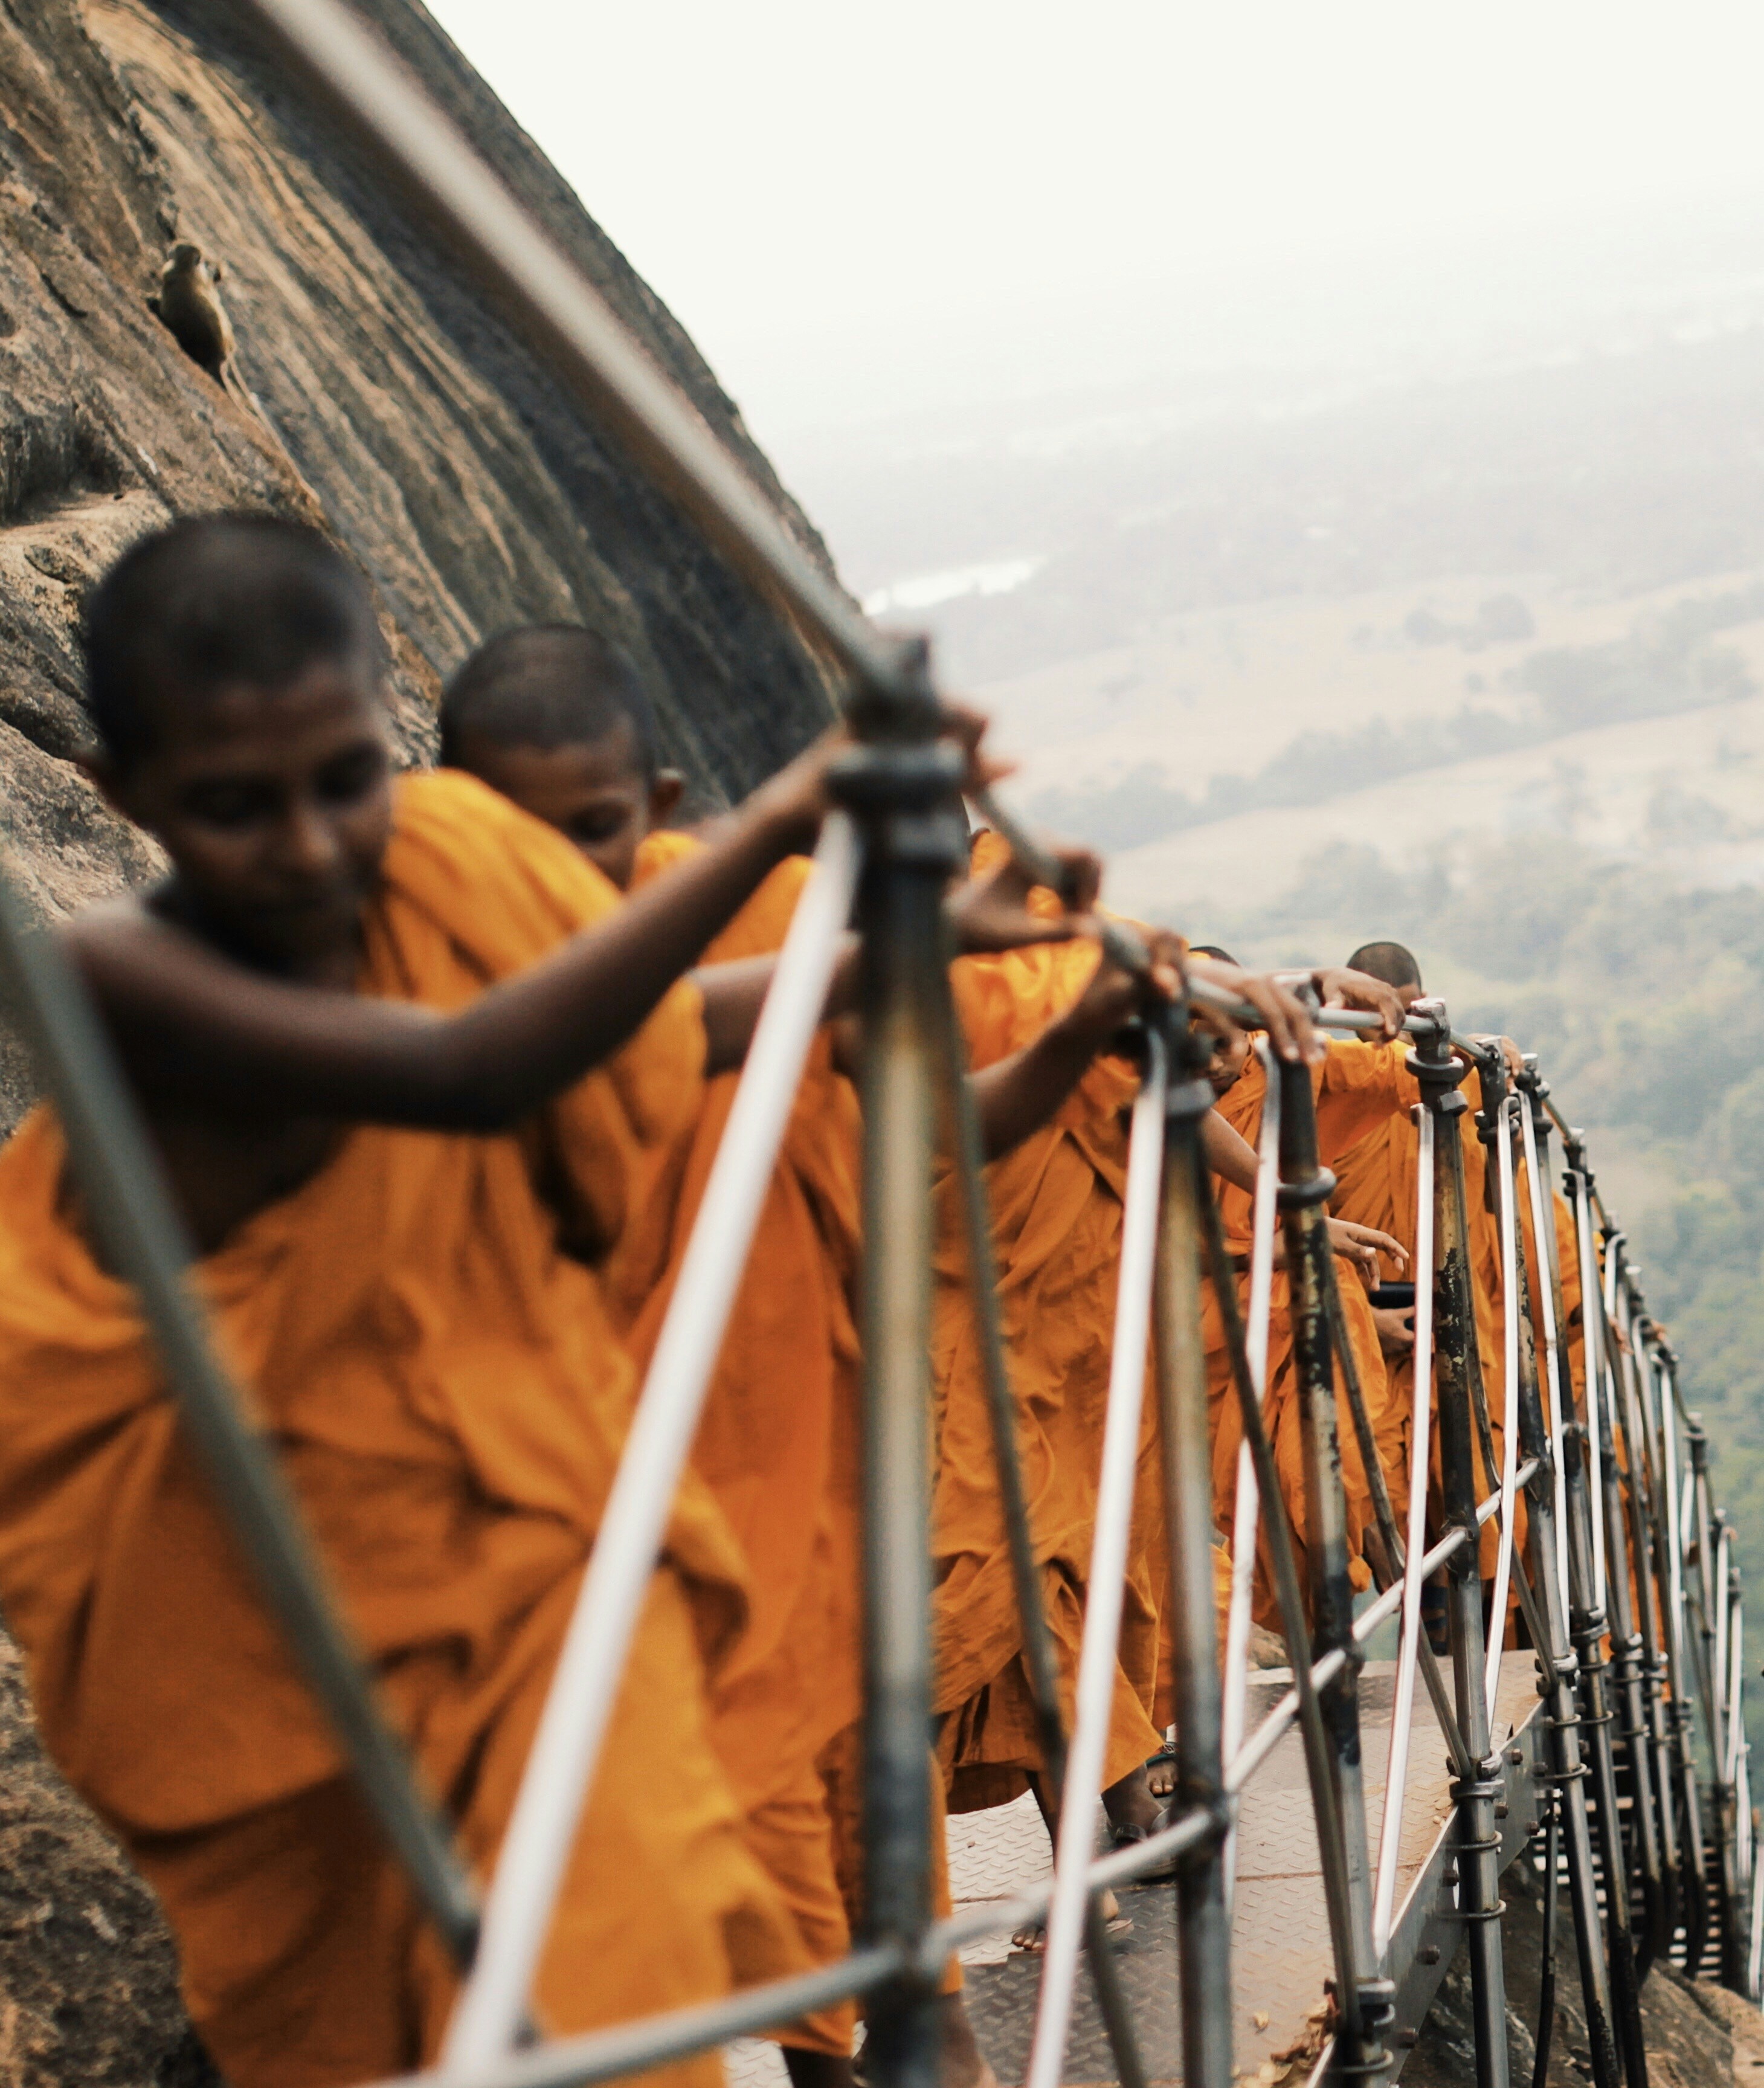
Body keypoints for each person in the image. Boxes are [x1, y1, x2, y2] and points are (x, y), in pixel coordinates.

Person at [0, 517, 956, 2088]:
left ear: (391, 734)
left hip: (506, 1578)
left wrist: (873, 953)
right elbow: (473, 1070)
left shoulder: (443, 871)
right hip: (271, 1618)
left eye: (343, 780)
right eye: (233, 808)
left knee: (614, 1967)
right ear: (122, 796)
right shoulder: (118, 980)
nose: (308, 846)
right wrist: (783, 816)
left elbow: (649, 1029)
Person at [439, 624, 1194, 2076]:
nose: (549, 875)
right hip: (586, 1566)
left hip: (810, 1543)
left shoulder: (763, 932)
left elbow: (922, 1130)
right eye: (507, 835)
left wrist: (1073, 1025)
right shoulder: (430, 971)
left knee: (882, 1994)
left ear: (656, 810)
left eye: (589, 833)